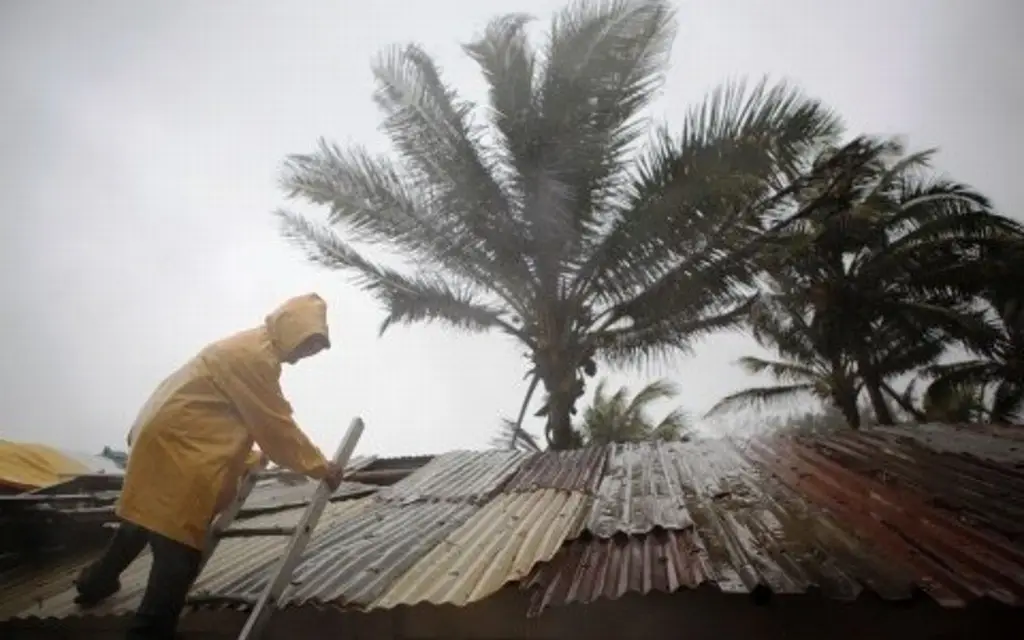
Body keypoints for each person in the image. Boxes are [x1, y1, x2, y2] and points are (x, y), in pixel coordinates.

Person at [73, 293, 346, 639]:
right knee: (178, 560)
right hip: (179, 448)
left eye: (314, 350)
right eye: (307, 345)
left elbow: (223, 414)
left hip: (161, 434)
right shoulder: (255, 359)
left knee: (143, 517)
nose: (306, 355)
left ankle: (95, 581)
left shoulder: (246, 346)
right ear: (291, 329)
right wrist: (321, 466)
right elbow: (275, 427)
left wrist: (249, 459)